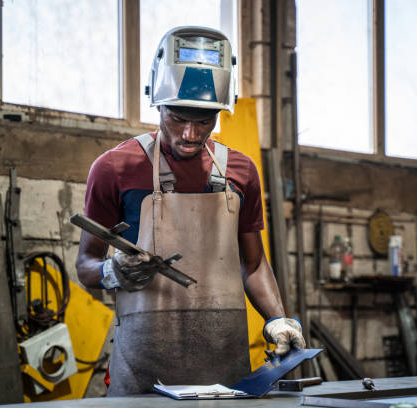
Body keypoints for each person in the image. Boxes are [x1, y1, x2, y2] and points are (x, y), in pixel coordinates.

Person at [75, 26, 305, 396]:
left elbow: (254, 264)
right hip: (142, 369)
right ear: (158, 104)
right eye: (179, 117)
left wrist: (277, 320)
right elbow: (85, 265)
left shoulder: (241, 172)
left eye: (204, 120)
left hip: (224, 368)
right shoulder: (114, 168)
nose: (190, 134)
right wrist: (111, 271)